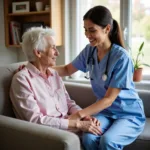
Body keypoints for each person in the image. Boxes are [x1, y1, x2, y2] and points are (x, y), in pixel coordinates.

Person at [53, 5, 146, 150]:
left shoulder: (121, 58)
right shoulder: (89, 51)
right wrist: (38, 68)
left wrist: (79, 114)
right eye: (85, 29)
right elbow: (66, 69)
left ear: (107, 29)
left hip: (128, 114)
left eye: (92, 30)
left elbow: (108, 99)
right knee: (89, 137)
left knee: (108, 141)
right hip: (106, 113)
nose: (87, 34)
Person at [10, 27, 101, 135]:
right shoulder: (22, 80)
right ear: (38, 53)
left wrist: (85, 117)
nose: (57, 53)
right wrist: (77, 124)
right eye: (53, 48)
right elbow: (35, 120)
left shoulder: (54, 74)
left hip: (70, 125)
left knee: (99, 133)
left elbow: (68, 103)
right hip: (52, 133)